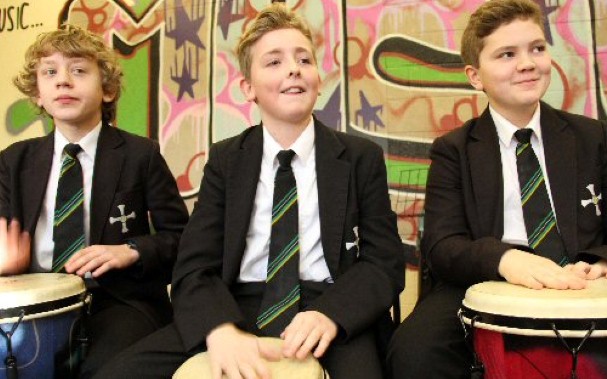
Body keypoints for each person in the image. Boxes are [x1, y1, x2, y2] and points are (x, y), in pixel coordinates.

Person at [95, 4, 405, 379]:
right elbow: (194, 265)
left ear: (318, 79)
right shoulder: (226, 160)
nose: (293, 68)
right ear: (248, 88)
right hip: (236, 303)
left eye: (303, 59)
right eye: (273, 62)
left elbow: (383, 261)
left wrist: (332, 315)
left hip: (328, 304)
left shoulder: (360, 157)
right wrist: (219, 328)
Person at [387, 0, 607, 377]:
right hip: (483, 280)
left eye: (537, 49)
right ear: (475, 76)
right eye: (507, 54)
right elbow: (442, 245)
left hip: (578, 281)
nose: (527, 63)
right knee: (413, 352)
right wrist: (507, 260)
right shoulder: (453, 150)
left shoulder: (593, 137)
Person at [0, 25, 189, 377]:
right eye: (50, 72)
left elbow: (182, 241)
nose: (63, 81)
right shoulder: (13, 162)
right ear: (38, 94)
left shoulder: (139, 155)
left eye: (79, 70)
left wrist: (130, 249)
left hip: (118, 301)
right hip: (35, 307)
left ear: (108, 89)